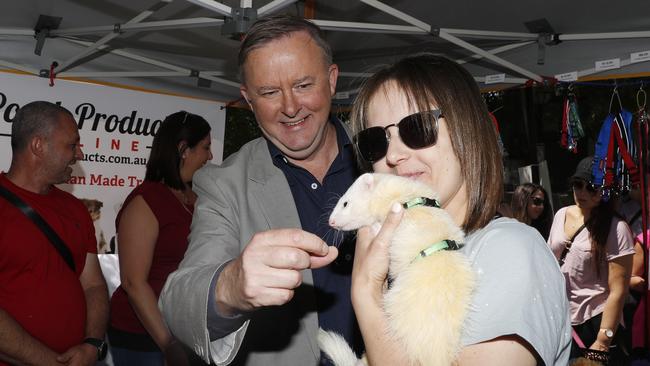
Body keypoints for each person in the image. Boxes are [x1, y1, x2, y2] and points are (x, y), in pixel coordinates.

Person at [160, 15, 360, 365]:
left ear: (331, 81)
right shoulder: (226, 184)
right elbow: (179, 303)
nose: (290, 107)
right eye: (269, 92)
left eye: (302, 85)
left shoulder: (385, 155)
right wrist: (232, 286)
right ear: (249, 100)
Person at [348, 54, 571, 365]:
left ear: (467, 129)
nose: (394, 154)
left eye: (418, 127)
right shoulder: (422, 262)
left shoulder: (509, 248)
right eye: (376, 141)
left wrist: (366, 296)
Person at [0, 101, 109, 365]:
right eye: (72, 145)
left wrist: (92, 344)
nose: (80, 154)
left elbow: (93, 284)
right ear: (38, 145)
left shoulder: (74, 209)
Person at [108, 111, 212, 365]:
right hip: (144, 335)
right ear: (183, 149)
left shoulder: (196, 196)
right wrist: (168, 343)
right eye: (205, 147)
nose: (209, 156)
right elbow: (134, 283)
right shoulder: (146, 201)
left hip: (187, 330)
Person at [547, 156, 634, 363]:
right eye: (578, 185)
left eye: (591, 188)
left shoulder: (617, 228)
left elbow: (619, 290)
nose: (582, 192)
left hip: (597, 320)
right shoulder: (561, 214)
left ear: (605, 191)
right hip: (562, 318)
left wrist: (603, 341)